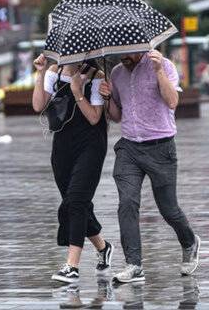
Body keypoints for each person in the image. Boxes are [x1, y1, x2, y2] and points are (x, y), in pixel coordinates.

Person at [99, 50, 200, 283]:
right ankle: (134, 264)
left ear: (142, 46)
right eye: (120, 51)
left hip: (161, 147)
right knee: (127, 203)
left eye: (128, 51)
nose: (123, 55)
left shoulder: (163, 65)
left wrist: (158, 72)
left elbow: (172, 101)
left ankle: (189, 241)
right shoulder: (116, 73)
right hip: (129, 148)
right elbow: (116, 116)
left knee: (169, 209)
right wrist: (107, 98)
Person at [31, 54, 114, 284]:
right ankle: (103, 247)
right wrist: (40, 72)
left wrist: (78, 90)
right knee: (74, 201)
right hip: (62, 148)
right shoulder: (54, 72)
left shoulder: (95, 75)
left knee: (76, 200)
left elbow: (94, 117)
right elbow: (38, 105)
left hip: (91, 146)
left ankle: (72, 266)